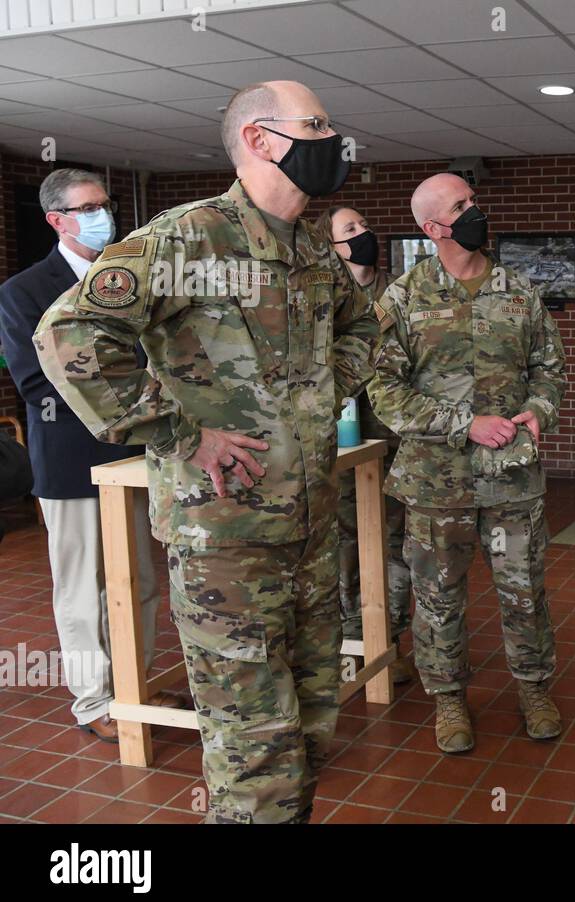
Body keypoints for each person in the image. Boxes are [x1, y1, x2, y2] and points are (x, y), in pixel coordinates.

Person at [34, 81, 380, 823]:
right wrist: (180, 432)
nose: (334, 141)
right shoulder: (188, 237)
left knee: (314, 728)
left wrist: (320, 393)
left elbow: (363, 328)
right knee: (255, 753)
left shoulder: (314, 248)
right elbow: (68, 335)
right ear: (260, 139)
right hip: (227, 540)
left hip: (315, 534)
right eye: (316, 126)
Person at [369, 172, 566, 754]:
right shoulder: (402, 300)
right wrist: (464, 423)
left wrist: (536, 409)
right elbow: (382, 390)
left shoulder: (519, 292)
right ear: (432, 228)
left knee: (524, 590)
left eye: (474, 201)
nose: (476, 212)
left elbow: (549, 368)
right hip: (436, 484)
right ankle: (449, 699)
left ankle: (533, 688)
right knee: (438, 596)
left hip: (512, 479)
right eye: (462, 206)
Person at [0, 168, 185, 744]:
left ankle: (136, 684)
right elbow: (35, 382)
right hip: (70, 460)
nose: (102, 215)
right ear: (57, 220)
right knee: (85, 588)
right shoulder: (24, 291)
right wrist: (131, 395)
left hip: (135, 455)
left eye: (103, 203)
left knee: (139, 582)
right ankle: (94, 700)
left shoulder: (129, 279)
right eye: (87, 208)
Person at [315, 205, 414, 685]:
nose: (364, 234)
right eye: (350, 230)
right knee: (346, 539)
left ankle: (389, 637)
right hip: (342, 438)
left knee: (394, 540)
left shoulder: (401, 290)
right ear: (332, 247)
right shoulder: (322, 296)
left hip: (395, 437)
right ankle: (352, 637)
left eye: (365, 225)